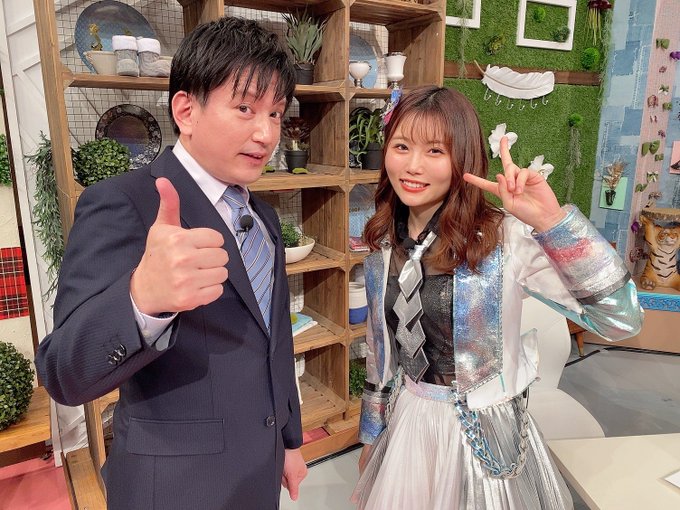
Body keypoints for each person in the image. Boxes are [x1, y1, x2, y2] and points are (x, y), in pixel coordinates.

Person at [36, 17, 307, 510]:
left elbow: (276, 339)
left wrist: (289, 440)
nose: (266, 133)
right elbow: (62, 374)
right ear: (186, 109)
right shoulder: (122, 202)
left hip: (258, 470)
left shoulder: (264, 216)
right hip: (174, 487)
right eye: (245, 108)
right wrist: (141, 300)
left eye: (276, 113)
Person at [352, 85, 643, 510]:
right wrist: (372, 436)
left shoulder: (504, 238)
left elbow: (621, 319)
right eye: (402, 146)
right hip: (407, 423)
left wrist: (553, 223)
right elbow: (381, 357)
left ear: (463, 159)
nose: (413, 166)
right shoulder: (383, 244)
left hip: (484, 436)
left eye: (435, 151)